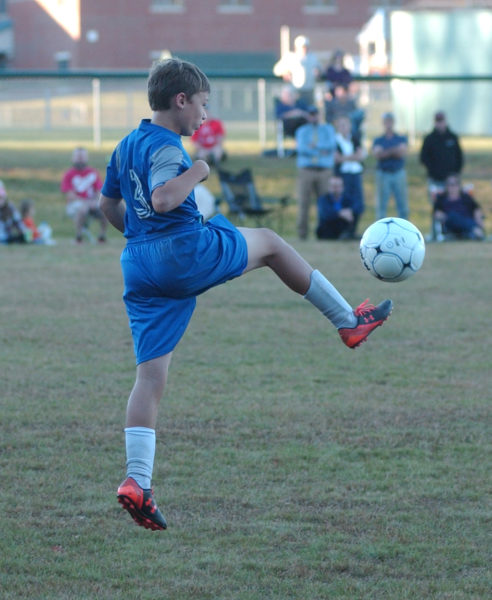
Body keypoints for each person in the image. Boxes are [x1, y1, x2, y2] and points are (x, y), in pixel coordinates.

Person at [99, 57, 393, 532]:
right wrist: (198, 170)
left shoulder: (125, 144)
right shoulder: (169, 149)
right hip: (182, 250)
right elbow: (163, 199)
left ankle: (138, 482)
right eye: (202, 105)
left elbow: (107, 205)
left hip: (139, 265)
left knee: (150, 378)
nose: (204, 115)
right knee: (273, 244)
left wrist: (139, 237)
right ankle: (348, 321)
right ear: (181, 100)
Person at [295, 105, 337, 240]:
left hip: (324, 170)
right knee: (304, 202)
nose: (314, 117)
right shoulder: (302, 131)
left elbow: (331, 146)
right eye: (311, 114)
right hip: (306, 170)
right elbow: (302, 148)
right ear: (308, 116)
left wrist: (315, 146)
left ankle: (323, 232)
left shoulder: (328, 129)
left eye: (316, 114)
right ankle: (302, 233)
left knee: (324, 202)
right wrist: (321, 150)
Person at [60, 147, 108, 243]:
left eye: (82, 157)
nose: (80, 159)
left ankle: (102, 236)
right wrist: (85, 202)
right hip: (75, 204)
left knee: (106, 208)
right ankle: (79, 237)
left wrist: (95, 201)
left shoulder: (93, 173)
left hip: (92, 202)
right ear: (73, 158)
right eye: (78, 157)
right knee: (83, 209)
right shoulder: (69, 174)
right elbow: (69, 194)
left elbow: (100, 191)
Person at [371, 112, 409, 220]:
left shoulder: (401, 138)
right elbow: (377, 155)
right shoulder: (378, 140)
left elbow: (401, 153)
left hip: (398, 172)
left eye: (390, 121)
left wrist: (385, 152)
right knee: (381, 205)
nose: (388, 123)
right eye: (386, 121)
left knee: (402, 205)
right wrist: (394, 150)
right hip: (383, 173)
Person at [334, 115, 365, 236]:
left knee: (358, 202)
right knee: (345, 201)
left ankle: (353, 229)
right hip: (343, 175)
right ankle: (345, 230)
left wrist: (345, 158)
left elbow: (360, 156)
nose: (343, 128)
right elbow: (337, 159)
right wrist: (353, 157)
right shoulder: (335, 140)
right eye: (341, 125)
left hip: (355, 174)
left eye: (345, 125)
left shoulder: (355, 139)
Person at [420, 111, 464, 192]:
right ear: (434, 122)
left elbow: (459, 156)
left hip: (452, 180)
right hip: (435, 179)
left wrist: (456, 172)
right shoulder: (429, 139)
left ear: (445, 121)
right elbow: (423, 157)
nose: (440, 123)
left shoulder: (452, 137)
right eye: (438, 121)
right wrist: (433, 171)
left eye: (441, 120)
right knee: (437, 203)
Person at [433, 175, 485, 240]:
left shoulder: (465, 197)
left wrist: (479, 218)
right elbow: (436, 213)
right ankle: (475, 230)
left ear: (459, 185)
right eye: (449, 184)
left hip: (467, 220)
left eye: (454, 184)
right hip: (451, 224)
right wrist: (445, 217)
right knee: (453, 216)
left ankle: (472, 231)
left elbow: (476, 208)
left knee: (462, 219)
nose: (452, 187)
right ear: (446, 186)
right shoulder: (441, 198)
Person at [273, 35, 322, 105]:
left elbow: (320, 69)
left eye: (305, 46)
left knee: (309, 111)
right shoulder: (290, 57)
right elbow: (276, 70)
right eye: (302, 47)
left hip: (309, 90)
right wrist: (284, 72)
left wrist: (318, 72)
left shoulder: (313, 57)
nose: (304, 49)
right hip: (295, 91)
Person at [316, 175, 356, 240]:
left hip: (343, 230)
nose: (335, 189)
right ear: (329, 187)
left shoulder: (348, 199)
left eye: (337, 186)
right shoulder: (323, 199)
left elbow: (357, 209)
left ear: (342, 187)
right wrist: (340, 213)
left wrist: (350, 212)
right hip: (326, 232)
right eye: (333, 186)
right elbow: (325, 214)